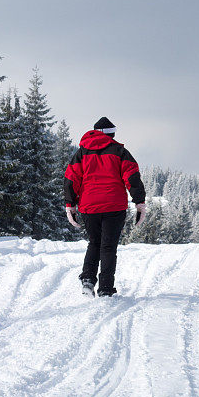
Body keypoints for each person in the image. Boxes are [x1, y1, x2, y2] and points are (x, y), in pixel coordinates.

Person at [64, 117, 146, 297]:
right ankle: (105, 288)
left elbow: (71, 178)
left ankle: (88, 279)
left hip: (89, 207)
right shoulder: (119, 151)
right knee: (108, 247)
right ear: (111, 134)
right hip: (114, 206)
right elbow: (132, 176)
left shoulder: (82, 152)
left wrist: (70, 205)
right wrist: (139, 202)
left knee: (94, 242)